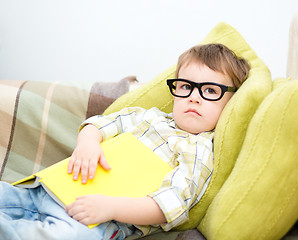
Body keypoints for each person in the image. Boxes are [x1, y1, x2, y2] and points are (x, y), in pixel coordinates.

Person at [0, 43, 250, 240]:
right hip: (53, 187)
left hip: (97, 219)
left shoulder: (199, 150)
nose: (194, 98)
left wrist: (111, 207)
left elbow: (170, 205)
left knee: (65, 236)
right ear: (174, 93)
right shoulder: (149, 117)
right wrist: (88, 142)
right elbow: (101, 123)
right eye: (186, 86)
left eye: (209, 91)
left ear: (231, 102)